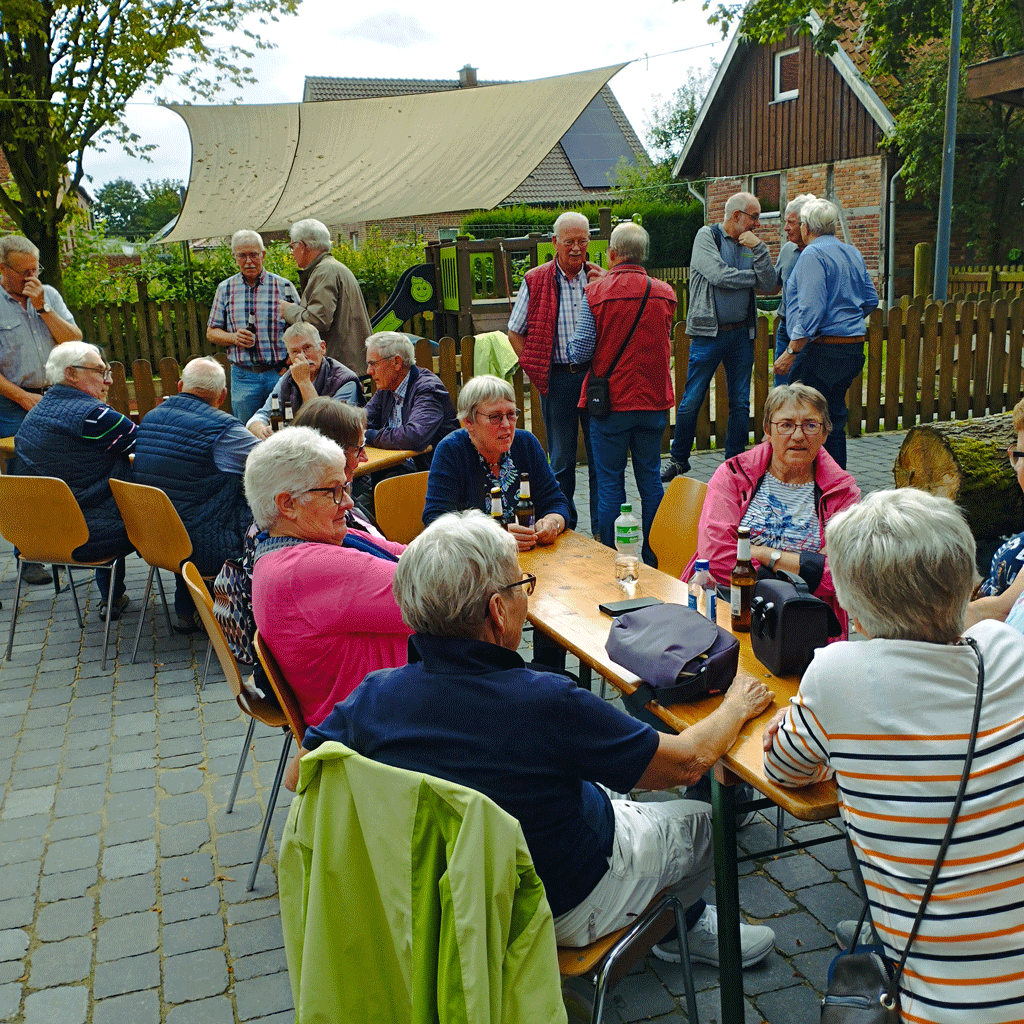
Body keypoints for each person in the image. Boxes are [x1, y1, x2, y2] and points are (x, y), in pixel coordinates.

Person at [287, 510, 777, 968]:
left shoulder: (375, 697)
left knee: (605, 781)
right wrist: (736, 706)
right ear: (498, 611)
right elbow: (689, 763)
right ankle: (678, 930)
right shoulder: (546, 701)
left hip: (436, 898)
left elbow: (298, 776)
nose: (527, 596)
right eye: (522, 585)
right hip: (556, 901)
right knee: (705, 821)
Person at [763, 488, 1024, 1023]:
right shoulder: (1006, 648)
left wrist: (829, 740)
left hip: (941, 1007)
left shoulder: (838, 673)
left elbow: (783, 769)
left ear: (855, 609)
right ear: (966, 581)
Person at [244, 427, 410, 728]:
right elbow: (442, 592)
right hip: (386, 726)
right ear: (288, 504)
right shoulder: (307, 568)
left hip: (387, 704)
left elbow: (407, 552)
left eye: (346, 487)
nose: (348, 503)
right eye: (333, 491)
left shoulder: (297, 543)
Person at [685, 383, 860, 631]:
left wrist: (761, 554)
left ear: (825, 433)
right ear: (768, 430)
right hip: (725, 612)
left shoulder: (841, 493)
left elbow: (841, 575)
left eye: (810, 425)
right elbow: (716, 557)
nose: (798, 435)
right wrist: (807, 570)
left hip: (805, 627)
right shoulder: (734, 476)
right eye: (786, 425)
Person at [568, 222, 676, 565]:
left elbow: (581, 350)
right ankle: (656, 554)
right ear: (643, 254)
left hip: (611, 404)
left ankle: (614, 558)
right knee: (650, 479)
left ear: (612, 254)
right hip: (653, 402)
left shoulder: (596, 294)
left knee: (611, 481)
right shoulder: (664, 293)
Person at [133, 356, 259, 632]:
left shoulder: (150, 419)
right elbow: (272, 463)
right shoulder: (224, 430)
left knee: (188, 503)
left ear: (180, 386)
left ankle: (186, 610)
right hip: (207, 544)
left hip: (156, 538)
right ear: (222, 395)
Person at [15, 343, 134, 618]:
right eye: (100, 371)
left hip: (42, 537)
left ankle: (112, 599)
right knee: (179, 512)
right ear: (71, 374)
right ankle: (189, 609)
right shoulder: (94, 415)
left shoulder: (34, 415)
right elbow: (152, 445)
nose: (108, 380)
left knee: (100, 499)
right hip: (90, 537)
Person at [663, 192, 777, 481]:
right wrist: (751, 280)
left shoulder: (751, 245)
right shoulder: (707, 237)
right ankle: (679, 460)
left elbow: (770, 283)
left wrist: (761, 249)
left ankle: (734, 461)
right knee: (692, 398)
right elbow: (719, 275)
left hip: (741, 334)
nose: (758, 224)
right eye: (755, 217)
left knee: (740, 401)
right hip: (707, 334)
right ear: (736, 216)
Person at [506, 211, 602, 535]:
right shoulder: (535, 280)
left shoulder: (600, 279)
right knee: (561, 460)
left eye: (582, 241)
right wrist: (535, 369)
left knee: (599, 457)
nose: (576, 248)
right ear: (555, 243)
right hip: (557, 378)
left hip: (593, 379)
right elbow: (514, 332)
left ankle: (601, 529)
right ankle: (566, 525)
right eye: (569, 241)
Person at [1, 234, 84, 584]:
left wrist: (44, 309)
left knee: (60, 472)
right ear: (3, 269)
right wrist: (21, 397)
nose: (31, 277)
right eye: (23, 272)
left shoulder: (47, 295)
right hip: (12, 402)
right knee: (23, 478)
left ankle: (61, 546)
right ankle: (28, 554)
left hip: (54, 399)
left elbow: (75, 341)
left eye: (36, 269)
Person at [772, 198, 879, 469]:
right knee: (832, 418)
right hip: (851, 349)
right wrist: (846, 321)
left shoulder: (812, 255)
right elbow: (870, 300)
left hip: (823, 352)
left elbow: (810, 310)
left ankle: (815, 485)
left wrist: (791, 352)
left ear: (807, 227)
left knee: (809, 420)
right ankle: (837, 486)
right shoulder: (851, 252)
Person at [422, 375, 568, 551]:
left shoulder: (526, 444)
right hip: (476, 566)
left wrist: (552, 523)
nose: (506, 424)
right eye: (495, 417)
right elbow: (436, 522)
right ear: (469, 421)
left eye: (511, 414)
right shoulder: (451, 451)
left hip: (533, 559)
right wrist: (499, 537)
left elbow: (556, 502)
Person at [206, 229, 300, 427]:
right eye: (242, 255)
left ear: (263, 255)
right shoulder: (225, 289)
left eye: (253, 255)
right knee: (247, 433)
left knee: (283, 429)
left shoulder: (283, 287)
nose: (248, 261)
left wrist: (288, 364)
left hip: (278, 373)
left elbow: (301, 330)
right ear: (234, 257)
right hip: (243, 376)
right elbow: (211, 332)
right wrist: (233, 338)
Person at [279, 219, 372, 374]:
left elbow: (318, 320)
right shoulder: (332, 267)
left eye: (292, 246)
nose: (292, 252)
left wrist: (288, 311)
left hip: (340, 367)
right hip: (348, 364)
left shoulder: (324, 271)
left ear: (302, 246)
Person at [246, 322, 361, 440]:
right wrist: (262, 431)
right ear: (289, 357)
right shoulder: (288, 378)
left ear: (322, 348)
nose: (302, 356)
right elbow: (259, 417)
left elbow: (328, 430)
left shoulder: (345, 381)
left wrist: (304, 383)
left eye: (307, 348)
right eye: (295, 351)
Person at [363, 331, 458, 471]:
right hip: (399, 468)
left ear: (396, 362)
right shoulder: (386, 388)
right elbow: (364, 419)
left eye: (373, 364)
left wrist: (367, 435)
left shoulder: (428, 388)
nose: (368, 371)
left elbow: (414, 436)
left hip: (433, 476)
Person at [968, 396, 1024, 631]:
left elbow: (1000, 611)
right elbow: (1003, 606)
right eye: (1017, 456)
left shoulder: (1013, 555)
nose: (1018, 468)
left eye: (1020, 456)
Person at [292, 396, 382, 538]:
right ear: (330, 452)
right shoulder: (330, 523)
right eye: (357, 449)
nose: (364, 458)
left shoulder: (339, 505)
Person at [772, 193, 815, 386]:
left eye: (791, 222)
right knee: (782, 389)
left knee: (808, 391)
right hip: (785, 328)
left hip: (812, 333)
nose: (785, 228)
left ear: (806, 224)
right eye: (785, 222)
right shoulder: (787, 250)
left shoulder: (820, 253)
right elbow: (772, 286)